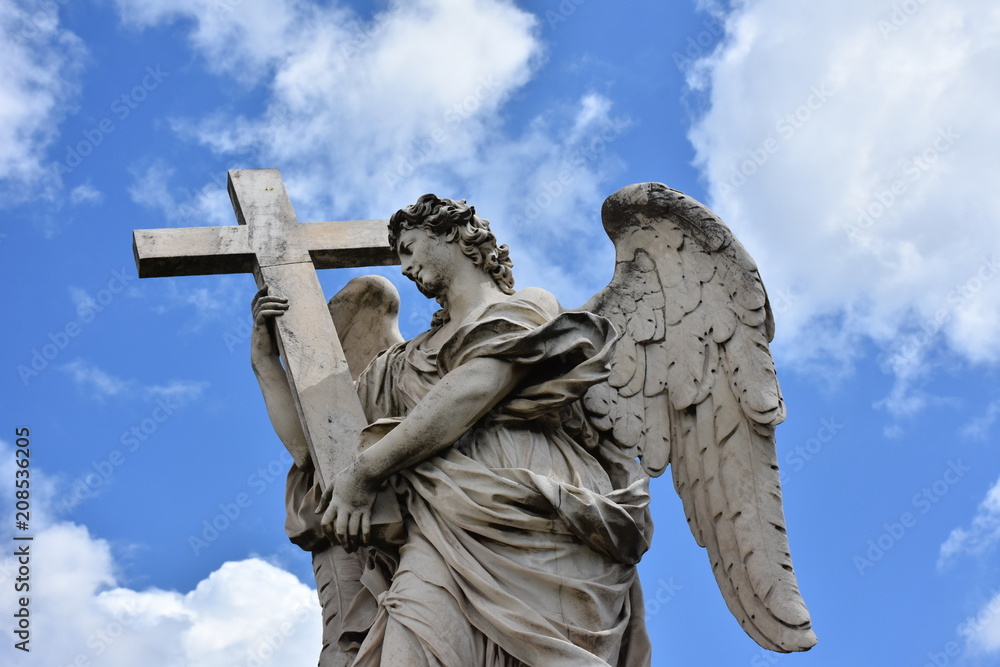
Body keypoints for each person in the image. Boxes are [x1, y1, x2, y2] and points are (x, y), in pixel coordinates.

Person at [252, 195, 652, 666]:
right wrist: (265, 363)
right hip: (439, 524)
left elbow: (476, 386)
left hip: (537, 507)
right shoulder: (399, 364)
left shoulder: (528, 305)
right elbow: (313, 448)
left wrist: (368, 471)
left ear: (450, 233)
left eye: (408, 248)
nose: (404, 267)